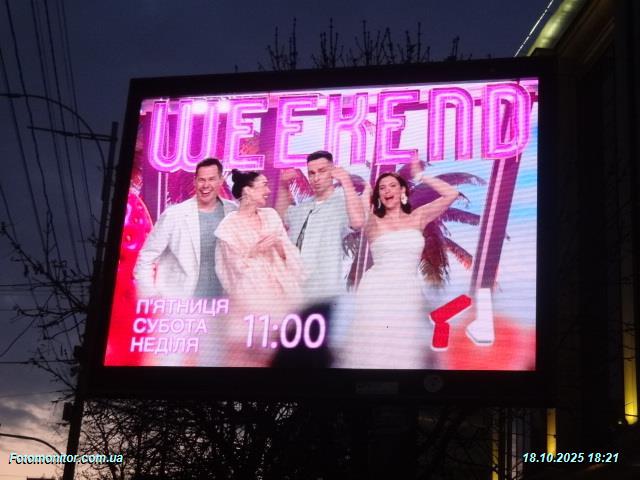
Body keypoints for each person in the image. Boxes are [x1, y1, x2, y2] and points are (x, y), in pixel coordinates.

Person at [336, 166, 459, 369]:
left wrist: (420, 176)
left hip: (407, 290)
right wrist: (350, 184)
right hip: (377, 290)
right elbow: (357, 221)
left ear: (402, 191)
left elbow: (451, 194)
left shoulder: (418, 217)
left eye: (392, 185)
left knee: (403, 346)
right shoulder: (373, 220)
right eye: (382, 188)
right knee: (374, 345)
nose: (387, 190)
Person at [215, 170, 305, 367]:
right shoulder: (229, 226)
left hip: (282, 296)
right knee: (251, 359)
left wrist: (278, 246)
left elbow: (290, 254)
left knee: (283, 356)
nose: (268, 190)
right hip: (250, 304)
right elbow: (229, 272)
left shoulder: (271, 216)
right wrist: (255, 250)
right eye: (264, 185)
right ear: (247, 190)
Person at [134, 158, 237, 299]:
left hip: (222, 306)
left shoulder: (233, 212)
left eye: (211, 179)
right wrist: (150, 297)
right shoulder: (174, 215)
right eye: (201, 180)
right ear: (195, 181)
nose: (206, 185)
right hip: (180, 306)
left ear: (220, 181)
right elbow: (146, 258)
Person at [275, 150, 366, 304]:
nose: (316, 178)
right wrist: (283, 187)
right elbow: (279, 221)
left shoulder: (343, 203)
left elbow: (358, 221)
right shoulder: (304, 206)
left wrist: (346, 181)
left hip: (323, 290)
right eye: (311, 173)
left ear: (332, 172)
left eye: (322, 171)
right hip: (294, 289)